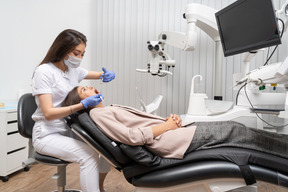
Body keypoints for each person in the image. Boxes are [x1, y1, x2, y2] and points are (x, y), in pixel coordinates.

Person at [63, 85, 288, 160]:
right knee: (238, 132)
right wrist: (168, 126)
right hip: (170, 140)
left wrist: (169, 121)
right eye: (85, 89)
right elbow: (130, 137)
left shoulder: (107, 110)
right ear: (81, 101)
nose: (91, 87)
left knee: (237, 129)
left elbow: (138, 126)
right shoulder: (98, 115)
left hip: (174, 133)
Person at [31, 29, 115, 192]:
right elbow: (48, 113)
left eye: (83, 54)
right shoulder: (44, 72)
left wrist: (105, 75)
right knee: (88, 155)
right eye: (77, 53)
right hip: (47, 133)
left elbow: (99, 74)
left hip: (68, 129)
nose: (80, 58)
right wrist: (82, 105)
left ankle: (99, 186)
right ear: (62, 49)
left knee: (107, 145)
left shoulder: (72, 71)